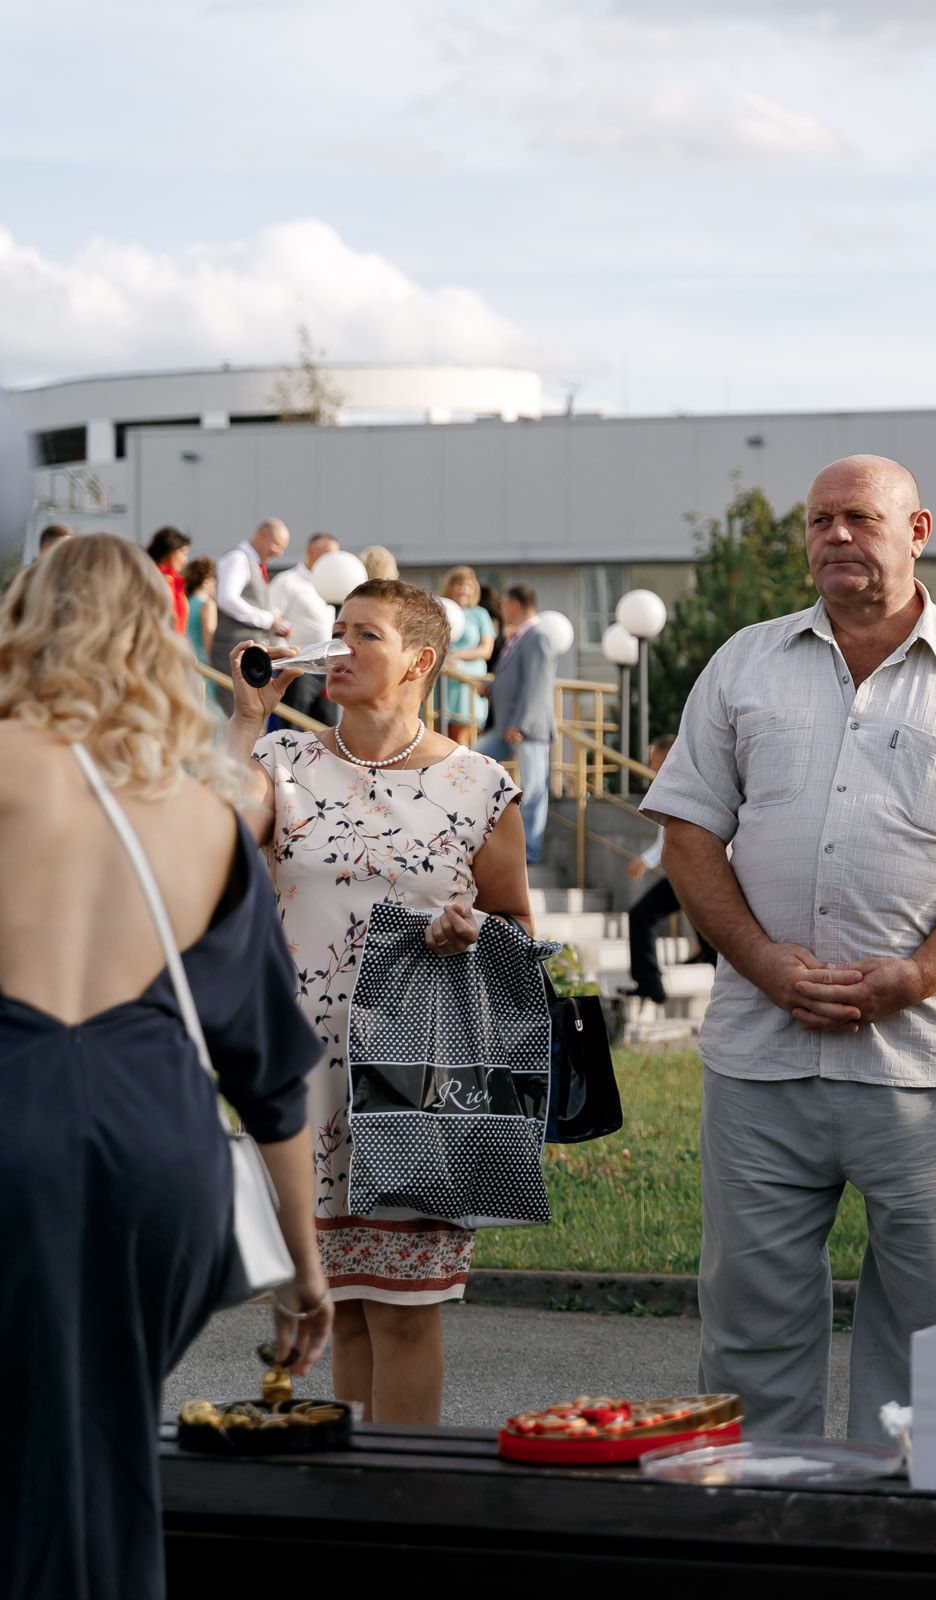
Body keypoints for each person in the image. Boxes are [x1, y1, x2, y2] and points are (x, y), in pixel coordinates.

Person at [642, 453, 936, 1440]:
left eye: (860, 518)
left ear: (918, 532)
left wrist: (917, 974)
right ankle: (767, 1536)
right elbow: (689, 836)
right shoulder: (743, 663)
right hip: (762, 1051)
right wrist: (761, 959)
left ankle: (920, 1546)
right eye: (821, 519)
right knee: (748, 1327)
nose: (836, 534)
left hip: (927, 1057)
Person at [0, 535, 331, 1599]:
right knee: (100, 1431)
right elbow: (269, 1071)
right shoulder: (204, 818)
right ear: (161, 639)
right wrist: (305, 1268)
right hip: (157, 1157)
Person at [227, 578, 533, 1424]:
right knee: (344, 1313)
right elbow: (213, 846)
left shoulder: (480, 783)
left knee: (403, 1316)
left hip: (416, 1071)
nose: (338, 648)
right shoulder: (283, 763)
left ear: (420, 661)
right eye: (335, 630)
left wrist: (467, 934)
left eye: (365, 635)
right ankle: (350, 1500)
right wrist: (251, 717)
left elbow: (517, 931)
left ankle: (410, 1505)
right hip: (303, 1076)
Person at [625, 734, 713, 1004]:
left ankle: (651, 984)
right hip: (690, 870)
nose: (650, 765)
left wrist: (648, 860)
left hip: (692, 871)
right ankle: (651, 984)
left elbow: (676, 832)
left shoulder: (682, 782)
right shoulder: (678, 782)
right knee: (709, 936)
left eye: (653, 759)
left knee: (641, 917)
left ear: (668, 756)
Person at [475, 586, 554, 866]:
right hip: (504, 727)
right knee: (473, 763)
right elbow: (515, 678)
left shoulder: (537, 636)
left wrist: (522, 723)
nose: (503, 610)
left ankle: (530, 852)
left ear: (516, 605)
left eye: (506, 605)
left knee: (533, 789)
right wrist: (492, 687)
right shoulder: (518, 637)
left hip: (526, 729)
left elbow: (538, 684)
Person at [210, 519, 294, 694]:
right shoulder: (237, 558)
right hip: (233, 650)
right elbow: (226, 599)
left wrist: (274, 624)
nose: (279, 553)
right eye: (277, 545)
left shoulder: (252, 563)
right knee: (234, 707)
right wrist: (269, 619)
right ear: (262, 534)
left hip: (246, 652)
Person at [267, 533, 342, 724]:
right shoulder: (288, 581)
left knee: (325, 724)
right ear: (311, 552)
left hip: (325, 666)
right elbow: (270, 618)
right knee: (293, 723)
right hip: (298, 665)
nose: (332, 561)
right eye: (328, 554)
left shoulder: (333, 585)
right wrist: (285, 656)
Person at [439, 566, 495, 746]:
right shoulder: (440, 610)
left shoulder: (480, 614)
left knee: (461, 739)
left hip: (467, 680)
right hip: (442, 679)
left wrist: (458, 655)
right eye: (459, 585)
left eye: (468, 586)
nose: (463, 590)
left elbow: (486, 650)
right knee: (438, 735)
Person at [148, 526, 191, 633]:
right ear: (169, 551)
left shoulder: (169, 580)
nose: (185, 560)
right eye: (182, 553)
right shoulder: (162, 581)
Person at [181, 555, 218, 664]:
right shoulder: (207, 605)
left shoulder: (184, 602)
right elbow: (210, 646)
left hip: (188, 666)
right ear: (207, 581)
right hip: (205, 670)